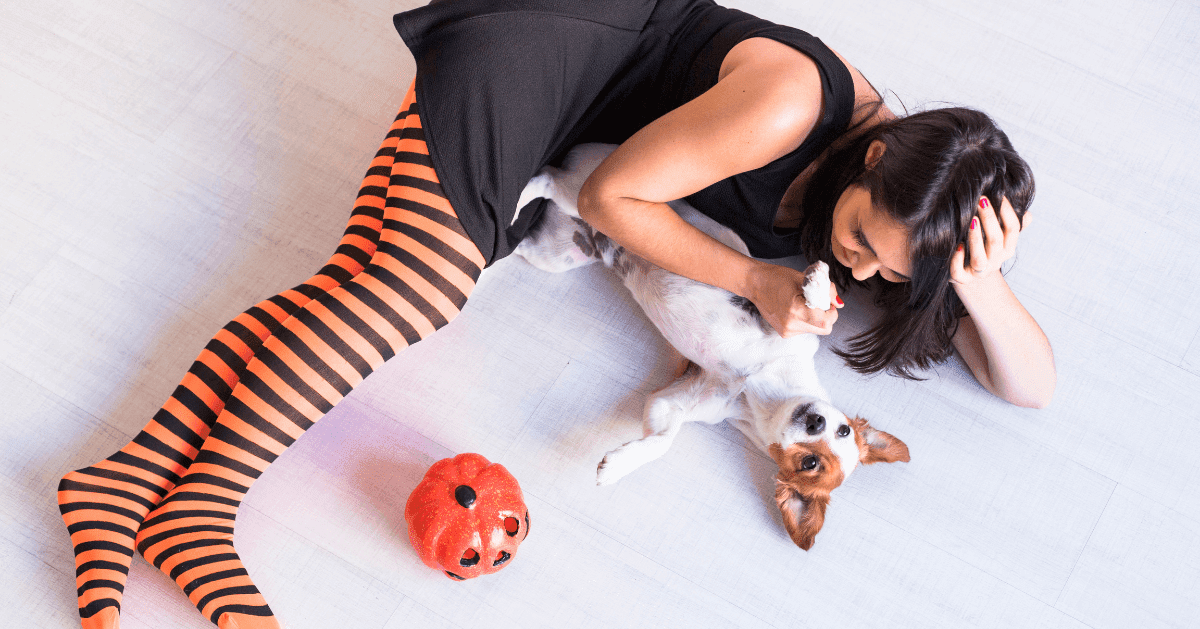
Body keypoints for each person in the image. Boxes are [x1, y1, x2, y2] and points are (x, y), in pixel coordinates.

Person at [55, 0, 1054, 627]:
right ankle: (197, 501)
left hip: (588, 129)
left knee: (371, 276)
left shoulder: (914, 228)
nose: (858, 265)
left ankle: (133, 478)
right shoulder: (792, 104)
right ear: (874, 157)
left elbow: (1032, 385)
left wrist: (975, 280)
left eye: (888, 268)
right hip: (552, 58)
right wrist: (756, 282)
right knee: (409, 284)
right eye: (860, 236)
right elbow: (619, 198)